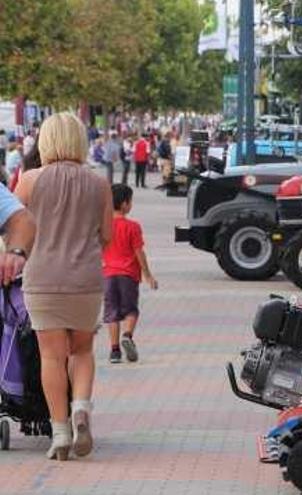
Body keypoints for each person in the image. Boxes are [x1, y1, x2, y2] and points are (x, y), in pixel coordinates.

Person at [15, 112, 113, 461]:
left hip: (41, 279)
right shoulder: (99, 184)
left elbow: (13, 230)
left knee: (52, 356)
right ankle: (81, 408)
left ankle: (59, 433)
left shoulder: (28, 180)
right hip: (85, 279)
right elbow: (108, 236)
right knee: (82, 351)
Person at [103, 184, 157, 364]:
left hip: (108, 275)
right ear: (125, 204)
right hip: (128, 275)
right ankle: (127, 335)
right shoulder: (133, 227)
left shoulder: (104, 227)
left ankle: (114, 350)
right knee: (131, 310)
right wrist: (148, 274)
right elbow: (138, 252)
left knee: (111, 313)